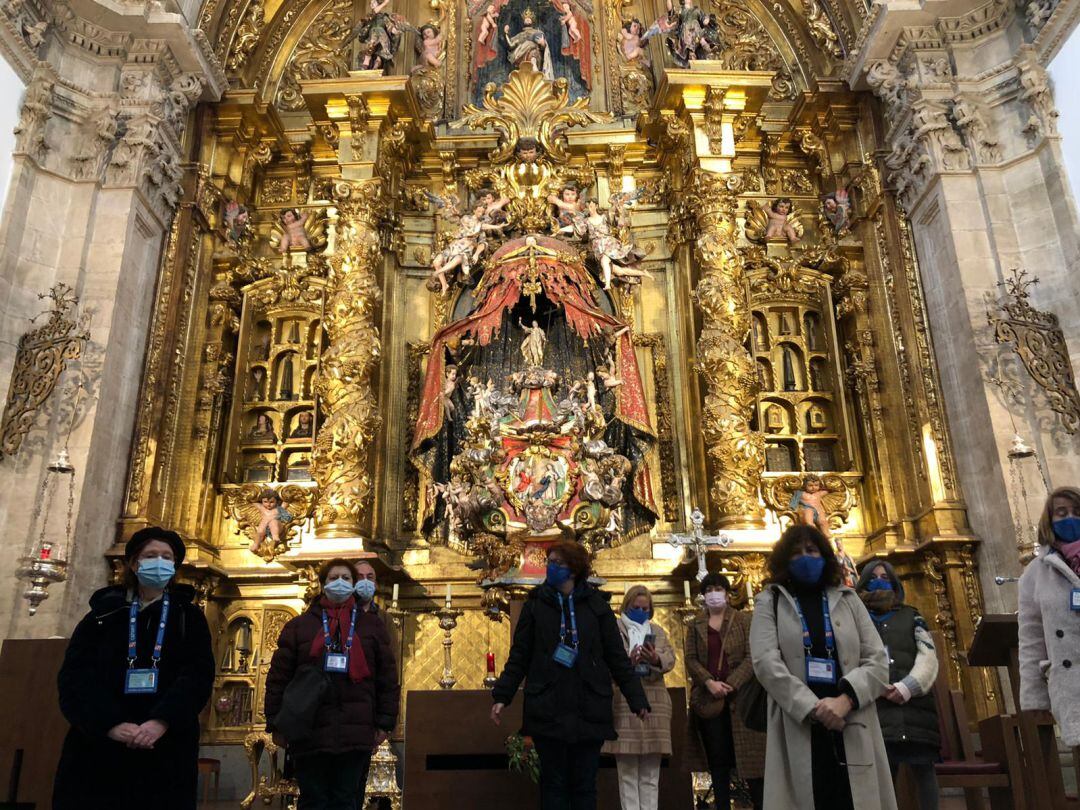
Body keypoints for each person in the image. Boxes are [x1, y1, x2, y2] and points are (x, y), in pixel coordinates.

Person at [53, 527, 215, 810]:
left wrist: (160, 721)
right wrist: (110, 724)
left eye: (167, 557)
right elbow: (75, 678)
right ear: (132, 563)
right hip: (100, 748)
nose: (159, 562)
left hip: (165, 745)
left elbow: (197, 676)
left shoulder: (188, 617)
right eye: (150, 555)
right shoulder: (102, 615)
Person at [490, 541, 651, 810]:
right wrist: (502, 696)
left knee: (584, 785)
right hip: (547, 706)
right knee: (553, 784)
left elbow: (616, 658)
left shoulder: (597, 607)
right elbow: (519, 657)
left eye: (558, 564)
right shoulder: (535, 606)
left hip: (588, 706)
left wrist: (637, 699)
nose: (550, 568)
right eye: (549, 562)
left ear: (574, 569)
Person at [749, 524, 896, 810]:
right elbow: (765, 661)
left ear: (825, 555)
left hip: (852, 717)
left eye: (812, 550)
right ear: (783, 560)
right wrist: (815, 708)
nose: (805, 557)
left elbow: (877, 659)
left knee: (854, 798)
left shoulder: (849, 599)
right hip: (799, 721)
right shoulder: (770, 600)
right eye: (796, 553)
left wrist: (846, 699)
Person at [265, 558, 399, 810]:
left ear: (353, 584)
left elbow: (387, 678)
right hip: (309, 730)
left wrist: (384, 722)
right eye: (333, 578)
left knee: (346, 800)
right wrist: (275, 722)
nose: (339, 583)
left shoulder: (371, 626)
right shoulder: (299, 626)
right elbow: (278, 678)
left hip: (355, 730)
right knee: (313, 800)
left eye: (346, 578)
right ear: (323, 584)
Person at [855, 562, 941, 810]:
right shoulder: (856, 619)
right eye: (873, 577)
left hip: (915, 707)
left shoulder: (911, 615)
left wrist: (908, 687)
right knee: (884, 774)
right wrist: (876, 686)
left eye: (885, 577)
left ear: (895, 583)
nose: (879, 581)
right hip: (875, 706)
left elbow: (928, 657)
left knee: (923, 769)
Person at [685, 573, 765, 810]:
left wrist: (732, 682)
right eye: (709, 590)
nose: (713, 594)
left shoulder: (743, 620)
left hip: (742, 700)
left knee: (752, 762)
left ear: (727, 593)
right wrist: (709, 682)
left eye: (718, 589)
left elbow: (753, 656)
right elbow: (690, 658)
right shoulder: (695, 624)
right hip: (711, 702)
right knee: (718, 762)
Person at [602, 585, 675, 810]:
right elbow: (606, 659)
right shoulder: (614, 629)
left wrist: (654, 659)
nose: (641, 612)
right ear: (626, 606)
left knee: (651, 775)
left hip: (655, 704)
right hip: (625, 704)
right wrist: (627, 662)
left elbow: (670, 658)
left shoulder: (657, 631)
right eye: (636, 607)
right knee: (627, 774)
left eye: (645, 608)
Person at [1019, 486, 1080, 749]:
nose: (1070, 518)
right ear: (1050, 520)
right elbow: (1031, 637)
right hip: (1072, 681)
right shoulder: (1035, 573)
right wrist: (1033, 696)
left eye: (1077, 512)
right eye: (1061, 513)